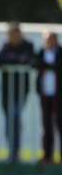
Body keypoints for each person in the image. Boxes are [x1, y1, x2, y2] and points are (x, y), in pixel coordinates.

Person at [0, 21, 34, 163]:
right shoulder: (5, 46)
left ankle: (15, 151)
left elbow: (28, 60)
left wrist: (12, 61)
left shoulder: (28, 46)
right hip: (6, 90)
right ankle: (12, 149)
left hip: (21, 90)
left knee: (15, 116)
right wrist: (16, 60)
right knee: (9, 119)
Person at [32, 30, 62, 164]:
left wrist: (50, 67)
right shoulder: (41, 52)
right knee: (47, 126)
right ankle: (47, 155)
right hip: (45, 94)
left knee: (59, 125)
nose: (48, 42)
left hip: (59, 95)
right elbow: (34, 63)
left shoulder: (60, 52)